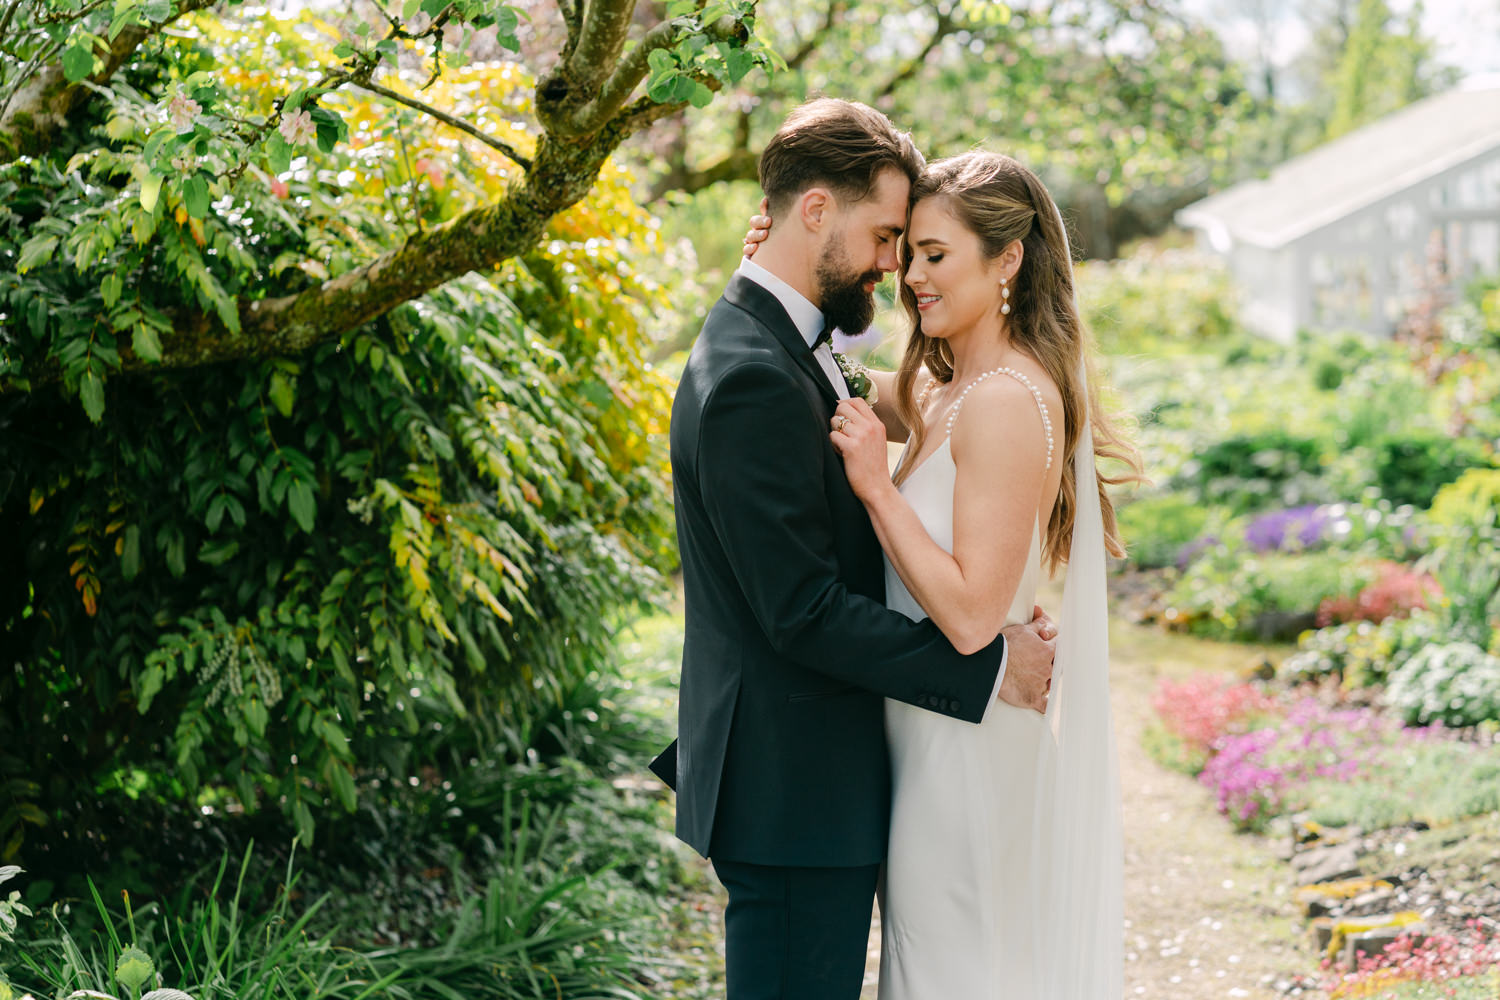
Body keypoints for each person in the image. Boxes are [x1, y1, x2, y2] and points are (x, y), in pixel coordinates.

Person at [655, 99, 1059, 1000]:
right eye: (885, 236)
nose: (893, 264)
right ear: (814, 212)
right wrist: (990, 671)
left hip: (811, 786)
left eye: (913, 246)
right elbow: (801, 611)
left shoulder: (778, 343)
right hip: (794, 791)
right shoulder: (758, 372)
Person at [746, 149, 1140, 998]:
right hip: (927, 738)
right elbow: (831, 380)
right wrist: (772, 275)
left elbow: (970, 617)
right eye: (908, 251)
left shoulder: (1004, 400)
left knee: (956, 967)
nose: (909, 275)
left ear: (1008, 260)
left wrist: (878, 491)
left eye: (935, 254)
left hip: (966, 753)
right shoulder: (953, 388)